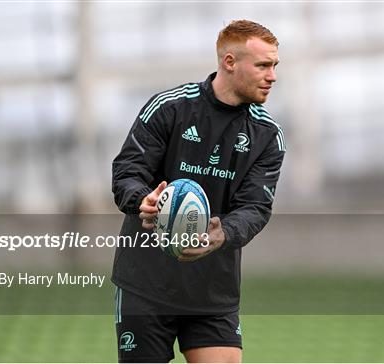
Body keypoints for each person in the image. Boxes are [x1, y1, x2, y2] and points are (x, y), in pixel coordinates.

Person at [111, 19, 286, 363]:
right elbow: (127, 173)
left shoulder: (267, 135)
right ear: (229, 62)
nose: (273, 76)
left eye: (275, 65)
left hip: (211, 291)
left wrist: (224, 233)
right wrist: (142, 200)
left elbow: (256, 208)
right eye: (263, 65)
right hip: (146, 285)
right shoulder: (169, 107)